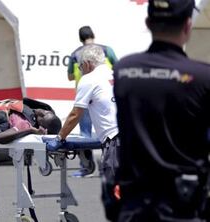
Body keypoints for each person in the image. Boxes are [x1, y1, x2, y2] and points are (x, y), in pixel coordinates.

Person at [113, 0, 210, 221]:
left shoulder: (124, 70)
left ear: (148, 23)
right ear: (188, 26)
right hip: (183, 207)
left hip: (134, 207)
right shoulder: (203, 77)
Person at [46, 44, 119, 187]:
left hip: (115, 140)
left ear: (87, 64)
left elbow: (75, 114)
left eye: (80, 67)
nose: (81, 71)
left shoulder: (89, 79)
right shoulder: (117, 74)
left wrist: (60, 137)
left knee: (115, 192)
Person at [67, 26, 119, 177]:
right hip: (107, 95)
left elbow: (70, 76)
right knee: (110, 130)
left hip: (84, 97)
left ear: (80, 38)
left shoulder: (76, 54)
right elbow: (119, 66)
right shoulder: (106, 50)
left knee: (84, 134)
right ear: (93, 35)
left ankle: (86, 167)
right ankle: (108, 161)